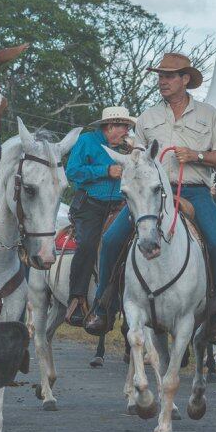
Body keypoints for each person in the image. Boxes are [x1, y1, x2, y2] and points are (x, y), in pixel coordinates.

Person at [85, 54, 216, 336]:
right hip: (152, 193)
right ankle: (104, 305)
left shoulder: (209, 114)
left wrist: (197, 155)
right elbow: (137, 160)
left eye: (169, 76)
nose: (162, 81)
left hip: (194, 191)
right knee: (112, 239)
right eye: (160, 76)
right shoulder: (147, 117)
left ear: (185, 79)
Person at [63, 106, 134, 326]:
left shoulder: (128, 148)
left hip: (120, 206)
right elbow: (72, 171)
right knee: (88, 244)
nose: (127, 131)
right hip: (90, 205)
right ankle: (77, 298)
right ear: (110, 126)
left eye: (128, 127)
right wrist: (105, 170)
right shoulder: (87, 141)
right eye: (124, 126)